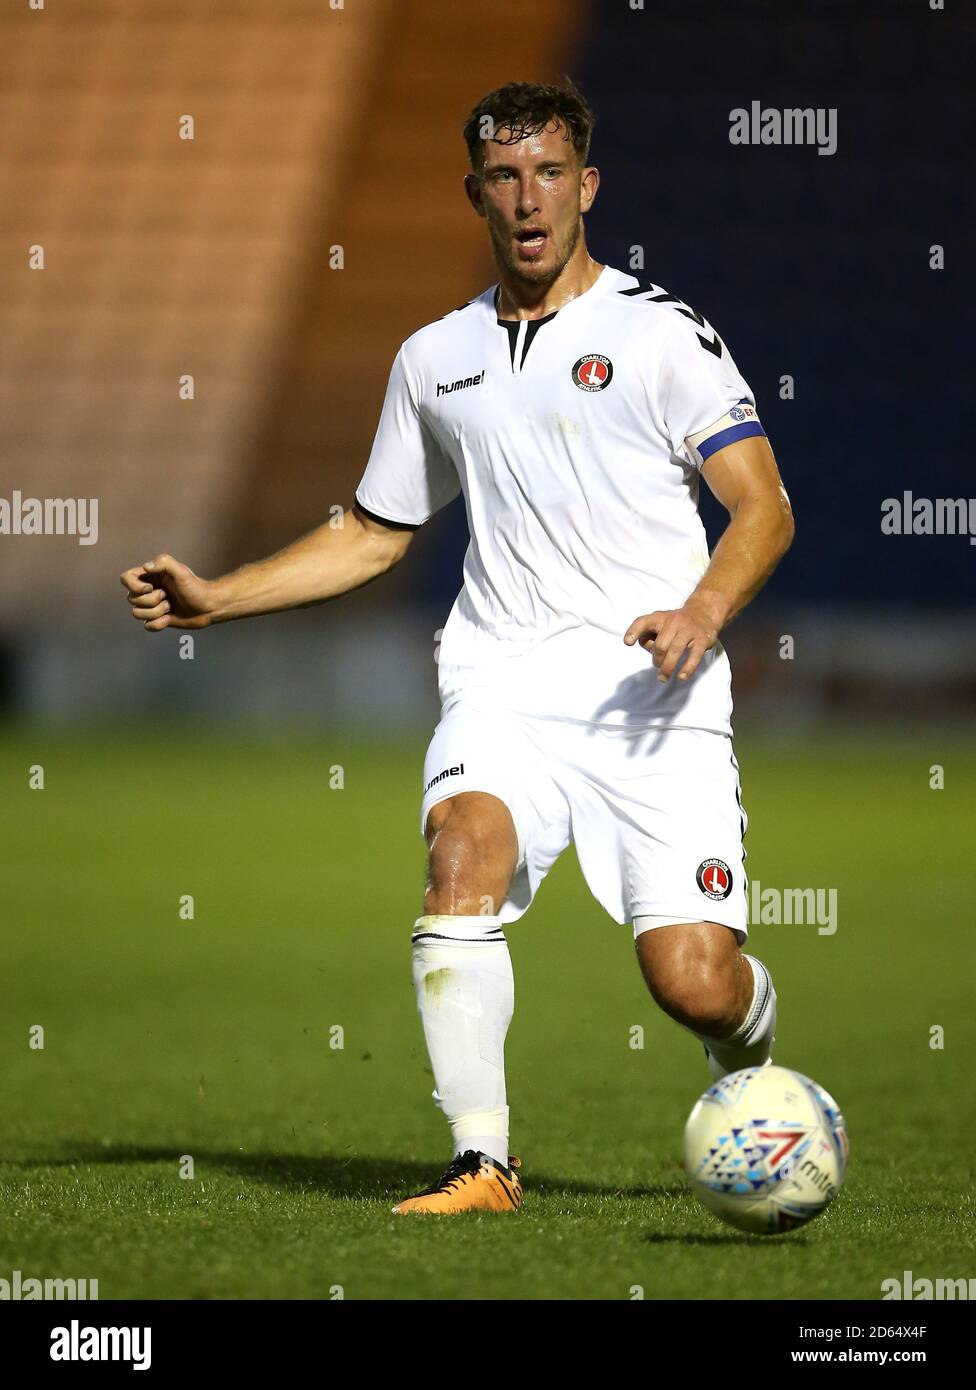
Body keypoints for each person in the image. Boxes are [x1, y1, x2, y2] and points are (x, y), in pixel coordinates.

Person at [121, 79, 794, 1216]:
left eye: (548, 174)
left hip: (655, 697)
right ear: (474, 192)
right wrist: (216, 596)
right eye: (503, 176)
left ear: (586, 187)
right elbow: (376, 533)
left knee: (691, 980)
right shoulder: (435, 358)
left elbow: (763, 506)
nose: (527, 199)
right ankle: (483, 1161)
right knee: (457, 859)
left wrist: (703, 611)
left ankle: (754, 1057)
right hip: (502, 687)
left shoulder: (658, 335)